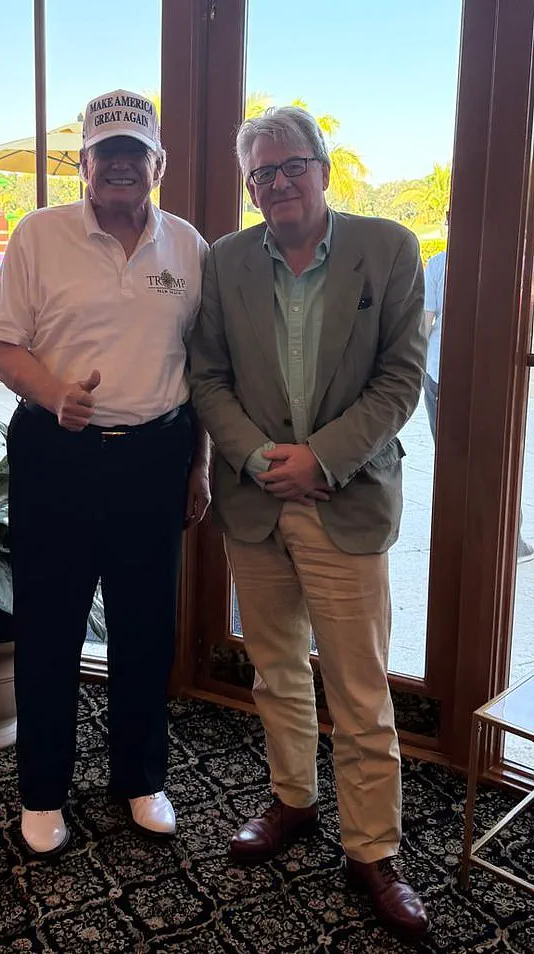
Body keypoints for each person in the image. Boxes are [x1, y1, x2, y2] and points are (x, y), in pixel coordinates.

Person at [190, 106, 429, 938]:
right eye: (262, 172)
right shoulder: (224, 261)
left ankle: (373, 849)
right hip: (256, 500)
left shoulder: (389, 249)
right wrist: (261, 458)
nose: (279, 182)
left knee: (360, 689)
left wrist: (320, 458)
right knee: (276, 669)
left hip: (345, 500)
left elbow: (400, 378)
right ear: (250, 186)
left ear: (323, 169)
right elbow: (207, 377)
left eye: (293, 165)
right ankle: (292, 800)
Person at [0, 89, 210, 856]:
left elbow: (202, 369)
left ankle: (141, 780)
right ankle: (43, 792)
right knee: (50, 624)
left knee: (146, 627)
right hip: (58, 454)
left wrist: (200, 463)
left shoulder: (189, 247)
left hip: (155, 457)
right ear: (82, 162)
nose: (119, 164)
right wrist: (56, 396)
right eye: (105, 151)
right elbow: (3, 344)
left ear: (158, 164)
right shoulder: (38, 235)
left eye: (133, 152)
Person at [424, 236, 533, 561]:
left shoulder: (439, 263)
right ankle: (508, 538)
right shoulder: (516, 263)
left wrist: (413, 363)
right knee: (495, 456)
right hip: (494, 377)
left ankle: (459, 535)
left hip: (442, 372)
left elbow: (425, 321)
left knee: (450, 456)